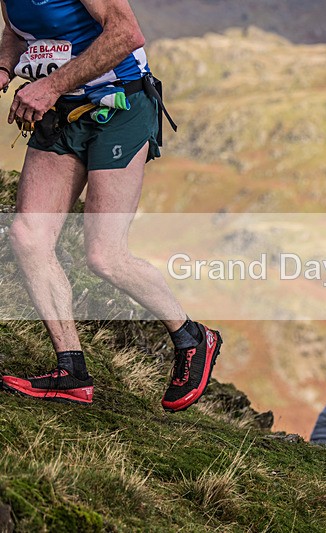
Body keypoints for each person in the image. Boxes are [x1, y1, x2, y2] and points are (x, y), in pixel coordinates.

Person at [0, 0, 221, 411]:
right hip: (61, 112)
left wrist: (47, 86)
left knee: (104, 255)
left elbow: (126, 34)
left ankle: (192, 336)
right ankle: (71, 372)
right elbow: (18, 34)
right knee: (28, 237)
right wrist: (3, 67)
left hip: (120, 105)